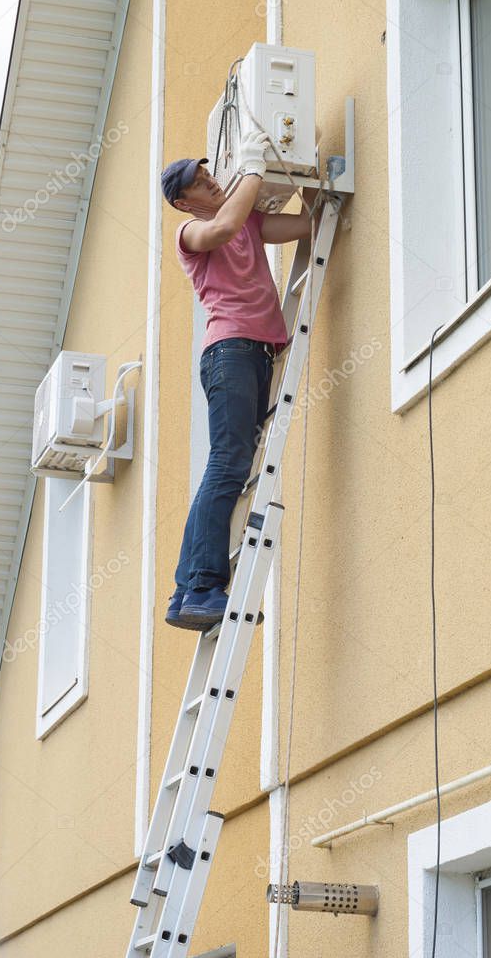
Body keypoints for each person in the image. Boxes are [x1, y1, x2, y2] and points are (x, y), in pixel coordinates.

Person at [161, 130, 311, 630]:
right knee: (227, 463)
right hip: (230, 351)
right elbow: (222, 229)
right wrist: (252, 167)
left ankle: (187, 592)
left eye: (208, 173)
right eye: (199, 184)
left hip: (254, 352)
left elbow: (303, 226)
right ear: (185, 203)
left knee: (229, 464)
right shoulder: (191, 235)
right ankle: (203, 586)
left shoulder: (245, 219)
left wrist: (314, 183)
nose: (209, 180)